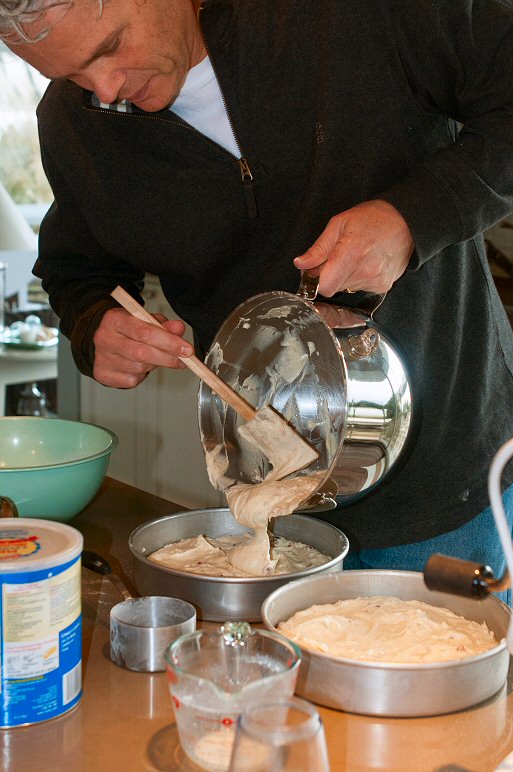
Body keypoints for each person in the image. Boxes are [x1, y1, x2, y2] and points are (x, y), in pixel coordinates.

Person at [2, 0, 513, 601]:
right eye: (70, 76)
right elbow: (77, 267)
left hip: (445, 489)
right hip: (268, 506)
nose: (107, 90)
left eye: (110, 47)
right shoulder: (76, 122)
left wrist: (412, 219)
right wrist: (95, 325)